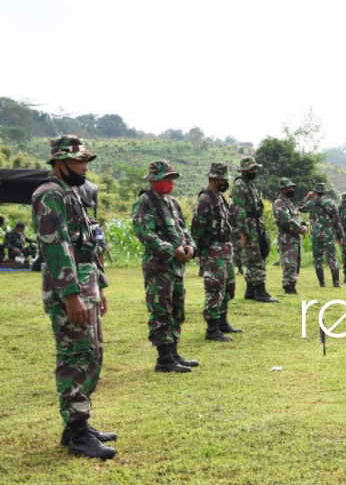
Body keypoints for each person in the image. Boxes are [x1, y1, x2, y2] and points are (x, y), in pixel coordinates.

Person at [31, 134, 116, 459]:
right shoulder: (49, 194)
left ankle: (77, 424)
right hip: (69, 290)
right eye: (79, 160)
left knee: (93, 352)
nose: (83, 166)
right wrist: (70, 295)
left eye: (85, 161)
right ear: (60, 162)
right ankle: (78, 431)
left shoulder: (74, 194)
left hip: (87, 285)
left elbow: (87, 244)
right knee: (75, 356)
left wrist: (100, 286)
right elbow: (56, 246)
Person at [132, 160, 197, 373]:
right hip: (158, 267)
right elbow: (145, 233)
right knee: (161, 310)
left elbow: (183, 229)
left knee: (177, 310)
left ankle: (173, 351)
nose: (170, 182)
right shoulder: (145, 202)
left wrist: (190, 247)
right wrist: (172, 250)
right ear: (153, 179)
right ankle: (163, 359)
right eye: (166, 178)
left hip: (176, 268)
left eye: (171, 178)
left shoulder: (172, 202)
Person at [190, 162, 241, 342]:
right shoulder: (206, 199)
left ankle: (222, 322)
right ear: (213, 179)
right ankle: (212, 329)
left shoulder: (220, 198)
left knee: (228, 286)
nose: (225, 182)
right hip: (212, 250)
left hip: (225, 248)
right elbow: (196, 227)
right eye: (222, 179)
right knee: (215, 287)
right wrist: (198, 251)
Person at [231, 156, 277, 303]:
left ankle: (250, 291)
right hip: (249, 226)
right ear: (244, 170)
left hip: (256, 224)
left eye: (255, 168)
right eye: (251, 169)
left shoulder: (250, 185)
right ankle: (261, 292)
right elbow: (239, 210)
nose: (254, 171)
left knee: (254, 258)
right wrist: (244, 232)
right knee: (256, 259)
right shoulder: (240, 185)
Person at [300, 182, 341, 288]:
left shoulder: (311, 203)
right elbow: (337, 220)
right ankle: (336, 283)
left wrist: (308, 197)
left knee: (317, 259)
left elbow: (300, 207)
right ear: (325, 191)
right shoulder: (331, 202)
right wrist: (340, 235)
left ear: (315, 192)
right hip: (328, 235)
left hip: (316, 235)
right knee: (332, 257)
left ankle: (322, 283)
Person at [272, 177, 307, 294]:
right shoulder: (279, 202)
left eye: (293, 187)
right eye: (290, 187)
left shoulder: (288, 203)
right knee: (289, 264)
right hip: (287, 238)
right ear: (283, 189)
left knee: (295, 264)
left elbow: (295, 218)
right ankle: (289, 287)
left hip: (294, 238)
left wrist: (303, 225)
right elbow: (286, 220)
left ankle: (292, 285)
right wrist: (300, 229)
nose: (292, 189)